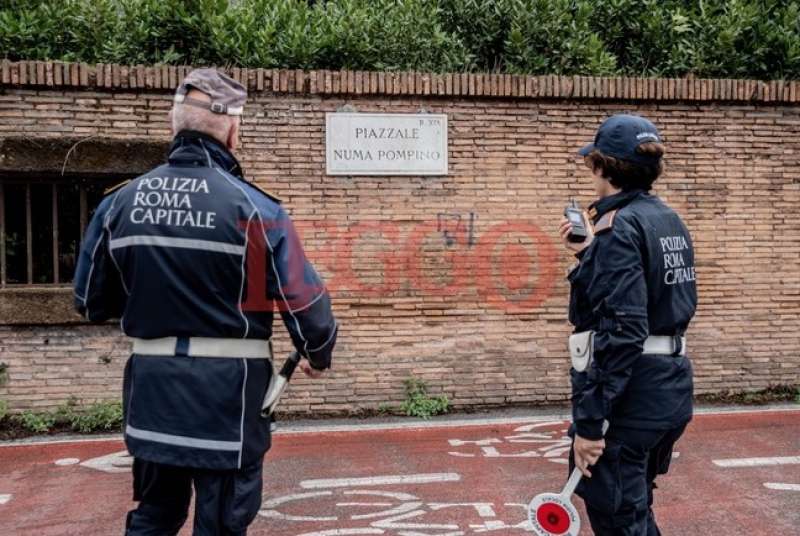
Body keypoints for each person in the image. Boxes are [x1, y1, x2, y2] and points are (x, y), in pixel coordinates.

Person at [73, 68, 338, 535]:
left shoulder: (119, 204)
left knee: (155, 516)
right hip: (228, 404)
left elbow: (90, 300)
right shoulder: (255, 208)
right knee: (220, 524)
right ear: (233, 129)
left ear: (173, 125)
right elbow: (303, 300)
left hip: (153, 396)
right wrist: (318, 350)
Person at [559, 114, 697, 535]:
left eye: (592, 163)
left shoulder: (619, 228)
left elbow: (624, 329)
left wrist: (590, 423)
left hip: (632, 396)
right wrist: (588, 256)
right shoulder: (666, 219)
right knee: (635, 511)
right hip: (668, 388)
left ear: (604, 167)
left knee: (618, 515)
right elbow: (654, 298)